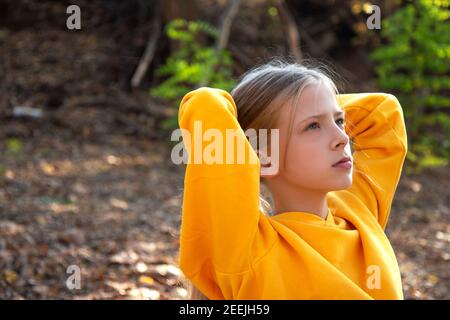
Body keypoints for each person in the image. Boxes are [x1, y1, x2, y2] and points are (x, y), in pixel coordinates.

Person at [176, 58, 408, 299]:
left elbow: (384, 111)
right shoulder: (249, 249)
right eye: (313, 127)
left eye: (339, 121)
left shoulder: (357, 211)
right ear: (263, 158)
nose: (342, 137)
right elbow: (205, 104)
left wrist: (315, 99)